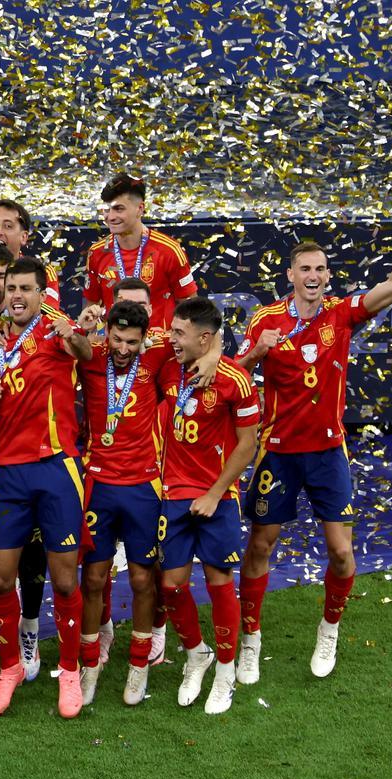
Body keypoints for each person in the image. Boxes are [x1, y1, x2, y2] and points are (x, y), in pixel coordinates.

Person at [235, 209, 392, 683]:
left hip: (327, 453)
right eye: (305, 269)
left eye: (321, 269)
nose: (314, 276)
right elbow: (234, 375)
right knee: (261, 544)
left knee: (342, 553)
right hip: (278, 452)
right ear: (291, 276)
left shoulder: (341, 314)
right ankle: (250, 640)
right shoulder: (265, 320)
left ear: (327, 276)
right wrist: (259, 349)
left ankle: (329, 630)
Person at [0, 259, 92, 718]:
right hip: (6, 471)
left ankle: (70, 671)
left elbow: (86, 352)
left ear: (42, 293)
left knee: (64, 580)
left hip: (57, 468)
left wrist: (72, 331)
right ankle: (9, 669)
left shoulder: (57, 337)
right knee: (1, 578)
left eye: (26, 288)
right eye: (10, 287)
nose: (16, 295)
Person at [158, 296, 259, 715]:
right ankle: (196, 653)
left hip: (217, 496)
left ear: (204, 337)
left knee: (219, 581)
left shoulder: (236, 380)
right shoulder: (167, 364)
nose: (171, 339)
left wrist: (216, 492)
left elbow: (248, 445)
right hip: (173, 495)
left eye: (179, 333)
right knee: (171, 586)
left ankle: (225, 670)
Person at [76, 300, 168, 706]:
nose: (124, 348)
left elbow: (204, 337)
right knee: (94, 579)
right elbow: (60, 341)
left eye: (132, 341)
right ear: (106, 332)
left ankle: (138, 665)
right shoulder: (91, 355)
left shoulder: (159, 357)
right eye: (117, 339)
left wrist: (215, 349)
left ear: (144, 338)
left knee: (143, 579)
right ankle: (90, 664)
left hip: (143, 486)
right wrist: (81, 329)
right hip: (99, 483)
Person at [83, 173, 196, 328]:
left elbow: (191, 309)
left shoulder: (168, 250)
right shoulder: (96, 253)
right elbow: (91, 307)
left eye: (118, 209)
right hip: (116, 347)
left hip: (160, 348)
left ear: (140, 209)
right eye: (106, 210)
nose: (110, 217)